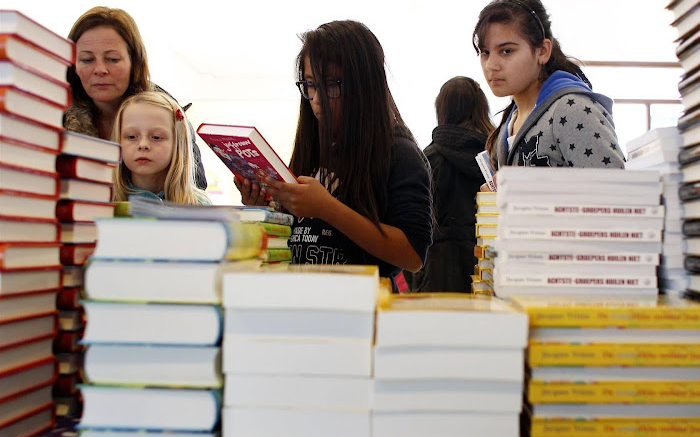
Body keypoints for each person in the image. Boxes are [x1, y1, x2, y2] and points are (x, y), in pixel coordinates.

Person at [237, 20, 433, 281]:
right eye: (311, 85)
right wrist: (265, 210)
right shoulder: (312, 147)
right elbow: (294, 237)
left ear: (363, 85)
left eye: (330, 85)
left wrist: (328, 209)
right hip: (299, 297)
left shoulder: (399, 153)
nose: (317, 101)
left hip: (362, 302)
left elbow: (413, 256)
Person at [473, 0, 625, 187]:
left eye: (507, 51)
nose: (491, 65)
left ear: (543, 51)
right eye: (485, 52)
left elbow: (615, 193)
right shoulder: (510, 121)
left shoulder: (571, 109)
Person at [63, 6, 208, 189]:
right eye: (87, 60)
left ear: (134, 62)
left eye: (113, 59)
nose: (100, 70)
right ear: (73, 65)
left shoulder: (166, 111)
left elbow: (195, 186)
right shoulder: (55, 115)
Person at [410, 76, 494, 293]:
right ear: (482, 108)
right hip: (488, 269)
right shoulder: (495, 157)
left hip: (437, 275)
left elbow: (415, 224)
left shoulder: (428, 159)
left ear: (442, 109)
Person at [111, 91, 210, 205]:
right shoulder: (104, 200)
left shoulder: (199, 205)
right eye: (132, 137)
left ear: (177, 143)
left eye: (156, 137)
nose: (143, 145)